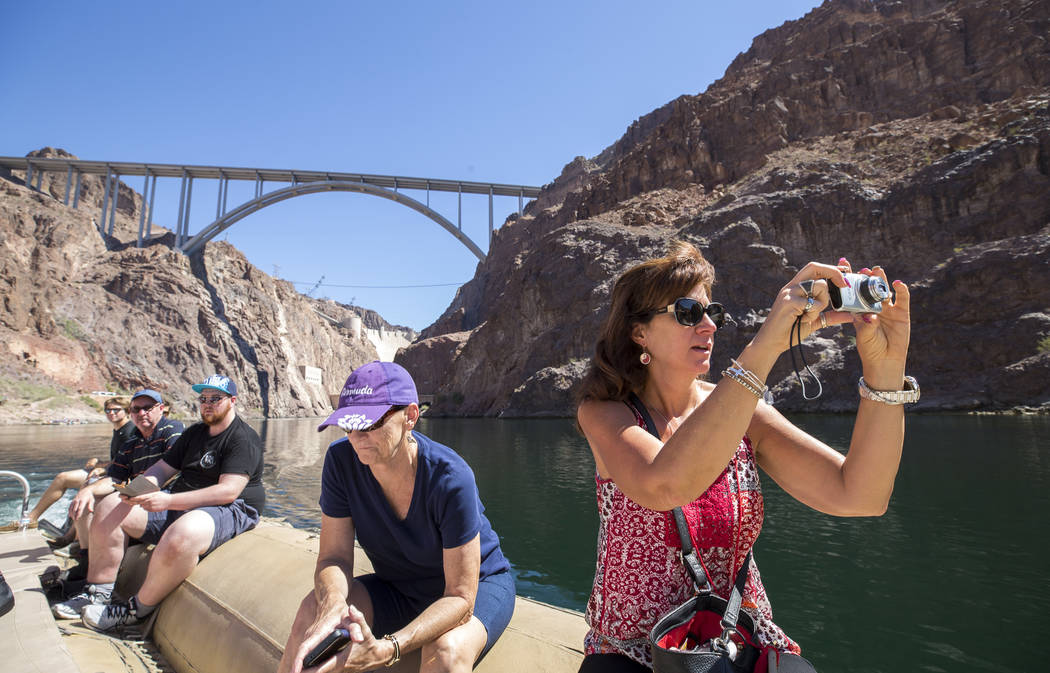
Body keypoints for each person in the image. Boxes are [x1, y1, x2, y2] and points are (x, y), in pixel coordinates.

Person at [575, 241, 914, 671]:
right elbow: (664, 484)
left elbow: (861, 496)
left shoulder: (744, 413)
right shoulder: (606, 413)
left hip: (735, 642)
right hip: (633, 652)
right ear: (639, 332)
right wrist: (767, 343)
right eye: (688, 313)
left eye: (713, 313)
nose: (708, 326)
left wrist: (885, 370)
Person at [278, 361, 515, 673]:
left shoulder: (450, 478)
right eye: (348, 424)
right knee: (313, 609)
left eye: (370, 424)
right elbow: (334, 557)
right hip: (399, 587)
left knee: (445, 652)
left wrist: (390, 648)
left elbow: (460, 597)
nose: (357, 437)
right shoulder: (341, 461)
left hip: (476, 587)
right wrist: (333, 603)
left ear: (410, 417)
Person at [56, 375, 264, 633]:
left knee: (185, 531)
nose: (208, 404)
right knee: (110, 505)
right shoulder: (195, 433)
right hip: (183, 498)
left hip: (231, 508)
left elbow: (228, 491)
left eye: (215, 399)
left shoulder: (243, 438)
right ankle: (97, 593)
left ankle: (135, 611)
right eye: (204, 399)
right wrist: (134, 492)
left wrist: (168, 501)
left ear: (232, 401)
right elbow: (163, 469)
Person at [50, 391, 184, 602]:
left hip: (166, 502)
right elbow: (114, 477)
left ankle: (98, 590)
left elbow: (170, 472)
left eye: (147, 407)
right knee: (89, 500)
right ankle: (86, 563)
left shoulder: (172, 430)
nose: (141, 413)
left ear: (161, 409)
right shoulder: (132, 442)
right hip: (139, 499)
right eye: (136, 409)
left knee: (111, 505)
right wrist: (87, 491)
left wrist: (131, 494)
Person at [0, 396, 134, 535]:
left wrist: (102, 468)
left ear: (127, 411)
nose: (111, 413)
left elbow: (126, 460)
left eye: (116, 410)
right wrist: (98, 462)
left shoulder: (129, 431)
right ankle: (32, 519)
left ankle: (71, 534)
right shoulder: (118, 429)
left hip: (118, 476)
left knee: (82, 483)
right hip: (110, 470)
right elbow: (118, 457)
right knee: (62, 478)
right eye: (108, 410)